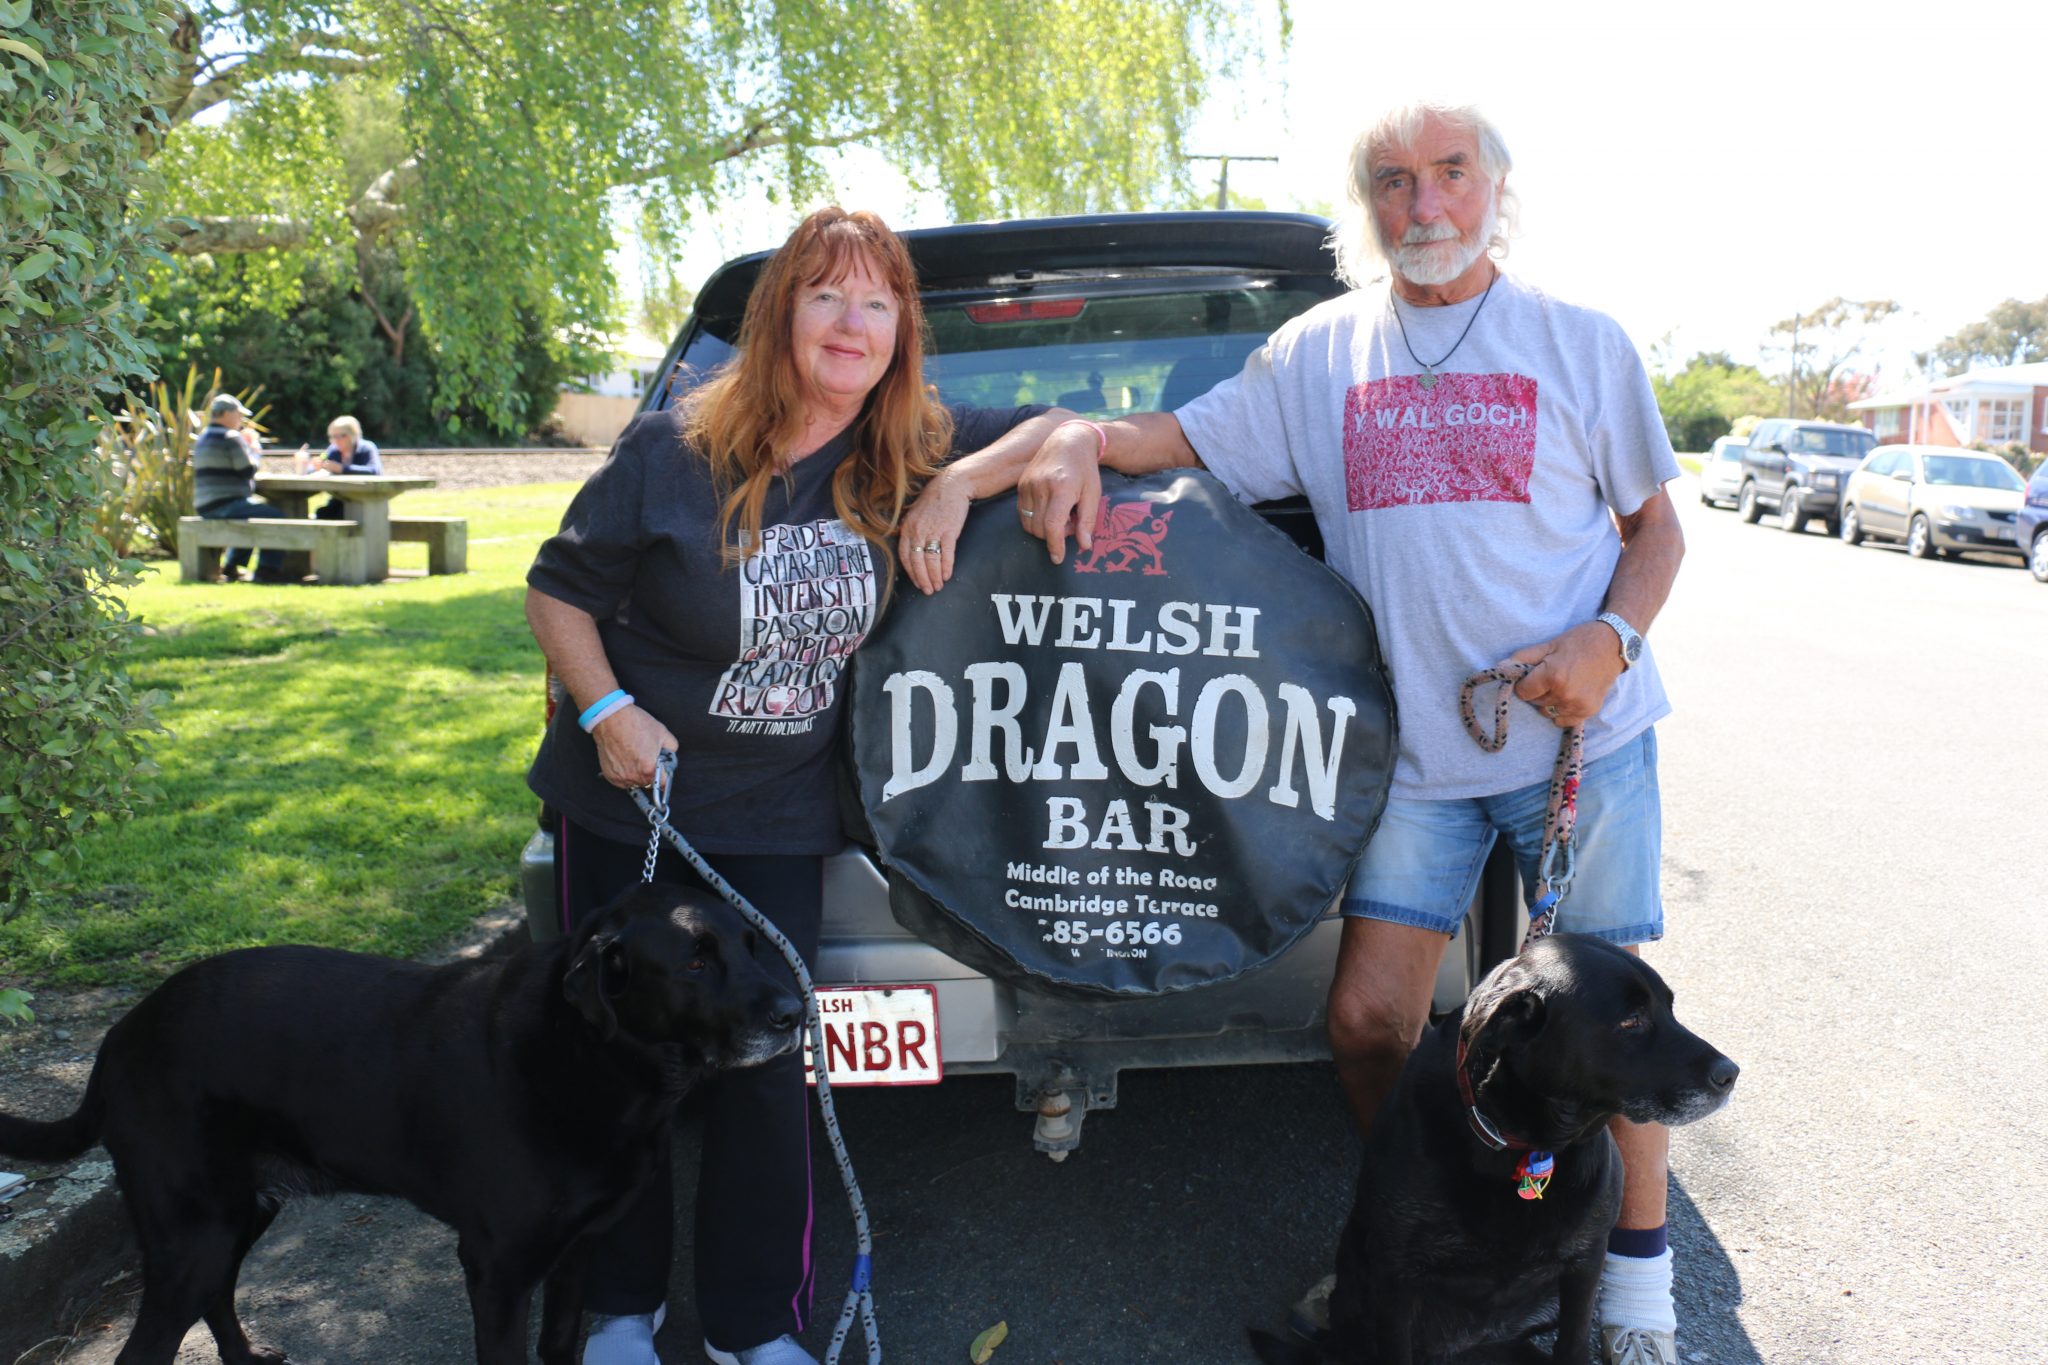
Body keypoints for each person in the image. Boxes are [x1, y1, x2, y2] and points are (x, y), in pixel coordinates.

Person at [1006, 102, 1688, 1365]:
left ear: (1495, 189)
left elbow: (1657, 532)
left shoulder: (1579, 344)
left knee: (1616, 1039)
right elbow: (1171, 439)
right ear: (1365, 205)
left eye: (1448, 177)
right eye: (1392, 183)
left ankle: (1637, 1291)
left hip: (1576, 747)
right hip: (1409, 764)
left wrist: (1611, 641)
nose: (1422, 206)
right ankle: (1435, 1235)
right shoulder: (1319, 353)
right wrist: (1063, 438)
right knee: (1367, 1023)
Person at [523, 206, 1074, 1365]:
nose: (852, 322)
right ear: (781, 316)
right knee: (614, 1063)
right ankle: (616, 1315)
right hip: (624, 797)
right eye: (827, 294)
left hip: (772, 817)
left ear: (898, 334)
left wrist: (956, 484)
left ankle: (751, 1328)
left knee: (766, 1069)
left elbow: (1073, 430)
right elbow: (557, 591)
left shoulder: (910, 440)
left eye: (877, 303)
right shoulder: (672, 449)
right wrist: (607, 709)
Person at [192, 393, 290, 582]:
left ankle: (231, 567)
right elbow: (248, 469)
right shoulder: (230, 437)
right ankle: (267, 570)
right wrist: (253, 447)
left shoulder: (203, 437)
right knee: (276, 517)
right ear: (226, 414)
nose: (241, 420)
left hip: (206, 505)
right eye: (239, 415)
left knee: (251, 512)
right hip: (225, 504)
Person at [298, 414, 384, 520]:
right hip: (340, 500)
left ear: (354, 434)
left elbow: (374, 471)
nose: (337, 440)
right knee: (322, 513)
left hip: (366, 500)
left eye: (342, 435)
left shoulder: (367, 448)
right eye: (333, 436)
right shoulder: (333, 450)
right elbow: (316, 466)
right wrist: (314, 467)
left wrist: (343, 468)